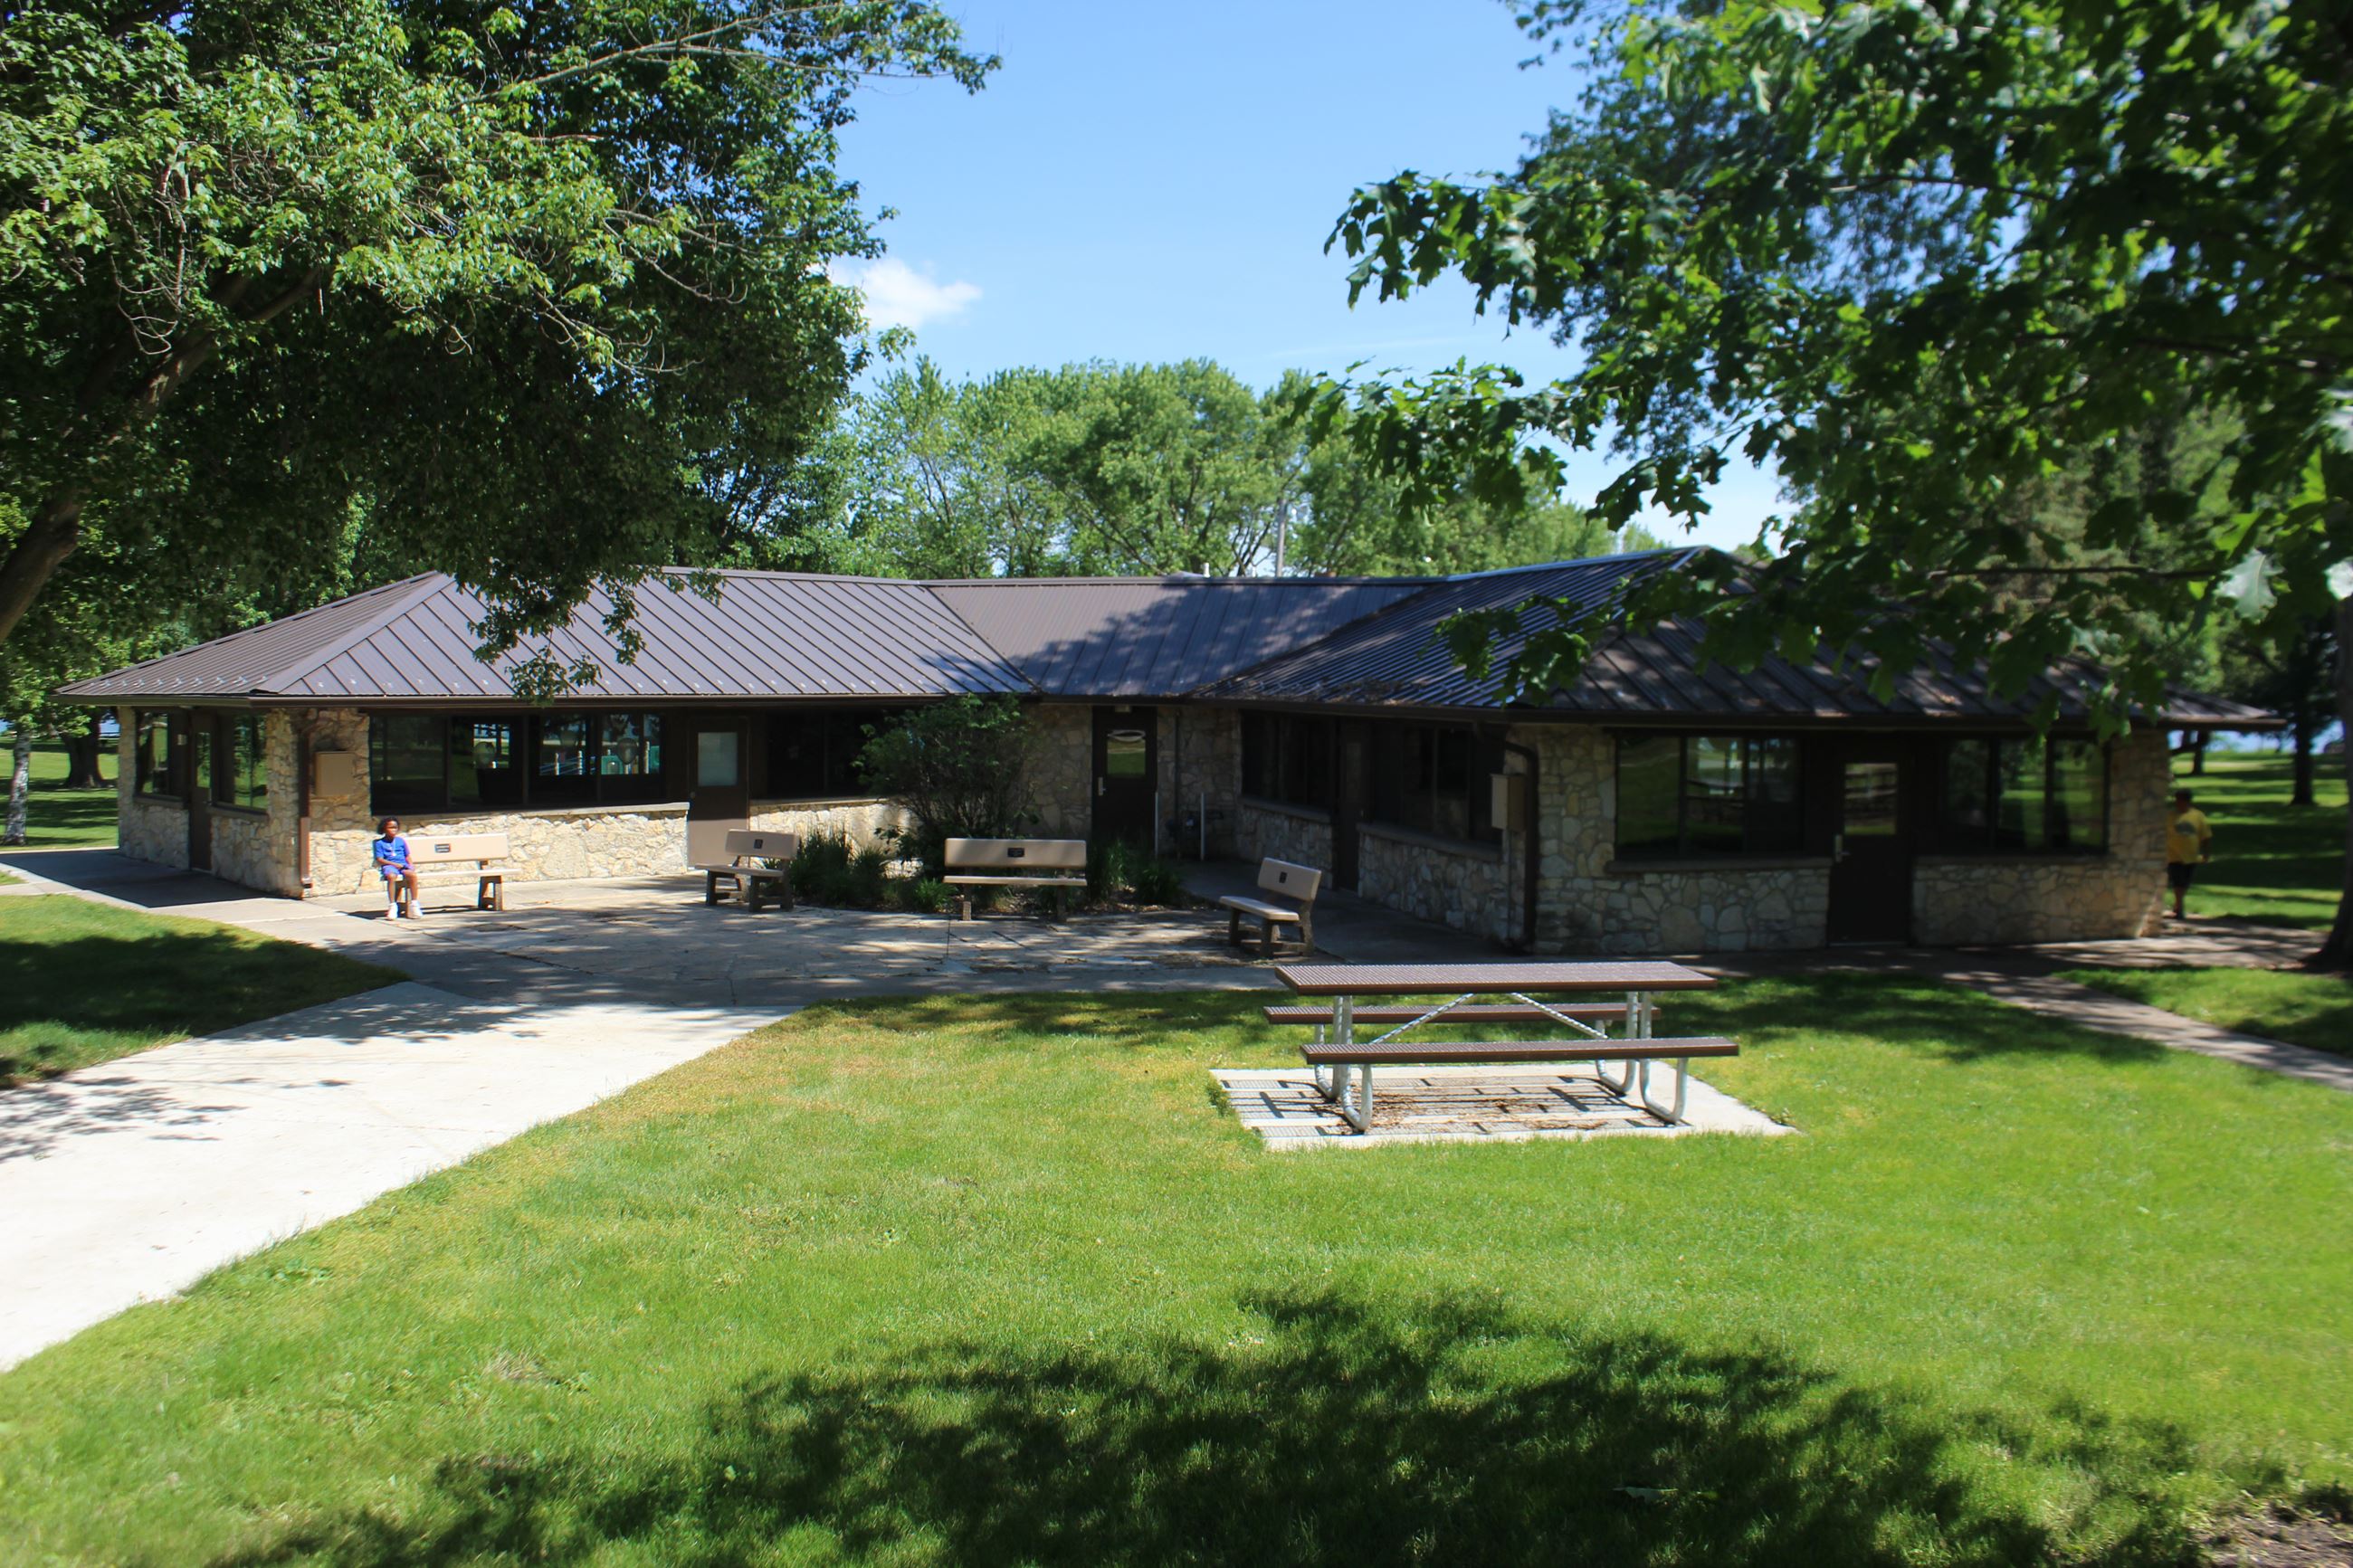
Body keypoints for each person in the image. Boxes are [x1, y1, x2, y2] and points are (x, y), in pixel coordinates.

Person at [2166, 788, 2212, 919]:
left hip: (2191, 856)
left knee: (2185, 882)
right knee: (2178, 881)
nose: (2178, 803)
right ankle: (2180, 908)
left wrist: (2206, 853)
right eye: (2177, 800)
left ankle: (2178, 904)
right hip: (2173, 855)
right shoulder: (2169, 816)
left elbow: (2206, 836)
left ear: (2187, 801)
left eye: (2180, 800)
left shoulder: (2198, 816)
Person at [373, 816, 422, 919]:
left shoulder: (400, 841)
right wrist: (395, 865)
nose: (393, 830)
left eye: (395, 827)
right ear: (384, 829)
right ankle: (392, 905)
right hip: (389, 865)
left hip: (402, 865)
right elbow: (380, 859)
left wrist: (411, 865)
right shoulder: (379, 843)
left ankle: (414, 904)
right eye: (391, 827)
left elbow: (407, 855)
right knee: (391, 876)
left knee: (412, 875)